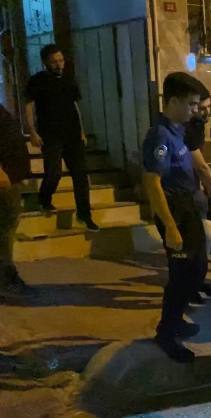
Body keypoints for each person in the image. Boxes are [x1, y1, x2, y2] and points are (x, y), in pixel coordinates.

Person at [142, 72, 206, 362]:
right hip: (174, 212)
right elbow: (152, 182)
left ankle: (176, 319)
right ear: (173, 101)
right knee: (181, 275)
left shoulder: (179, 130)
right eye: (191, 104)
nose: (195, 110)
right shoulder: (160, 135)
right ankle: (166, 333)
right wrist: (169, 226)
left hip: (188, 209)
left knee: (197, 269)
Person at [24, 44, 99, 231]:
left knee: (80, 175)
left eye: (61, 60)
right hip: (50, 134)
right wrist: (32, 131)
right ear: (45, 63)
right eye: (54, 62)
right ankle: (44, 197)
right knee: (54, 172)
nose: (59, 65)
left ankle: (84, 214)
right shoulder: (37, 81)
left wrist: (82, 130)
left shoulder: (69, 80)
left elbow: (75, 106)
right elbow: (29, 106)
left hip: (72, 133)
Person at [183, 80, 211, 305]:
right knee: (191, 248)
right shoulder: (187, 128)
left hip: (194, 191)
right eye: (201, 108)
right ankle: (189, 289)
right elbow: (201, 166)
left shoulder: (198, 126)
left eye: (208, 107)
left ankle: (198, 283)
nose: (206, 112)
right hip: (184, 195)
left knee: (201, 246)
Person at [0, 104, 31, 298]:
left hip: (10, 175)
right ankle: (5, 280)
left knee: (7, 226)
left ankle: (7, 276)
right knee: (4, 227)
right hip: (3, 178)